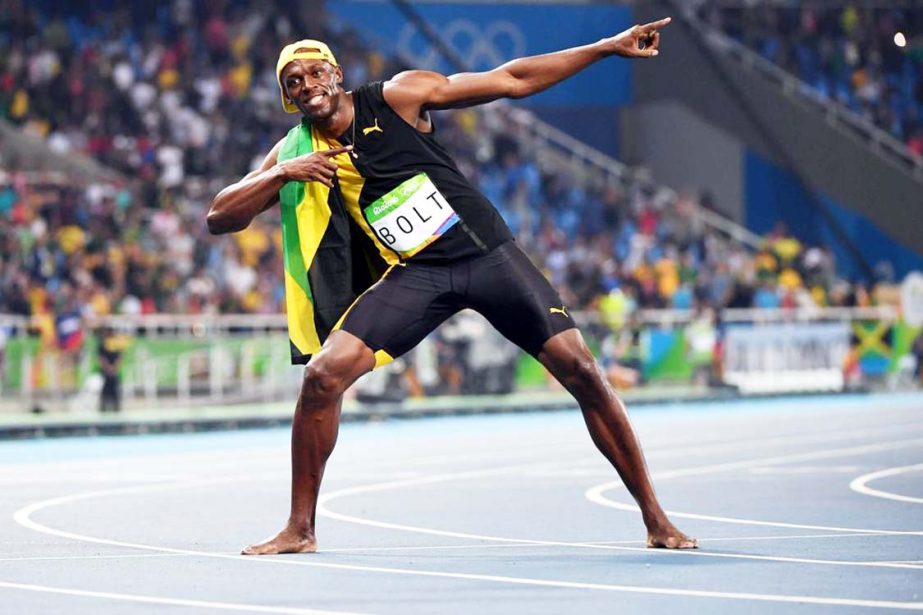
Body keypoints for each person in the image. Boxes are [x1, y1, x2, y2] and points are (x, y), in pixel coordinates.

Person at [208, 17, 697, 555]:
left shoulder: (398, 95)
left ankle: (657, 520)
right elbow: (220, 217)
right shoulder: (294, 149)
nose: (307, 85)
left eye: (315, 71)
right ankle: (300, 529)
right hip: (418, 273)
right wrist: (281, 173)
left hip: (485, 254)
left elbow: (511, 78)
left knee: (581, 370)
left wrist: (606, 47)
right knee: (323, 376)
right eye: (293, 82)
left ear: (338, 74)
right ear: (286, 98)